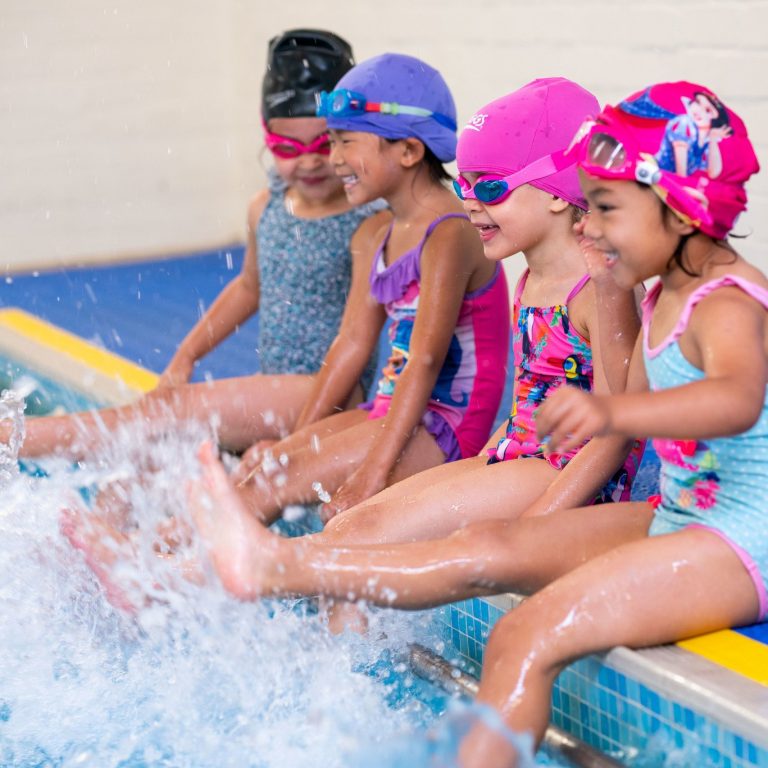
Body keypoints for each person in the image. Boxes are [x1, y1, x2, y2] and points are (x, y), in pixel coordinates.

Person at [190, 80, 765, 768]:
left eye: (607, 207)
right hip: (678, 514)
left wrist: (607, 411)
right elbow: (629, 398)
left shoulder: (726, 304)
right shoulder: (659, 293)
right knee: (502, 586)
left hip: (742, 537)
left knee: (527, 616)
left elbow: (735, 400)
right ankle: (285, 586)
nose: (591, 222)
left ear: (678, 210)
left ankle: (278, 567)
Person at [184, 79, 646, 631]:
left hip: (565, 477)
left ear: (554, 191)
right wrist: (490, 459)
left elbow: (616, 432)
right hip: (520, 455)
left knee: (360, 538)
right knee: (350, 528)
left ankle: (193, 574)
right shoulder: (533, 275)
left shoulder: (598, 287)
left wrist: (541, 524)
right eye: (468, 184)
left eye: (491, 187)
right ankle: (344, 679)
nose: (470, 201)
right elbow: (530, 401)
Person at [0, 28, 388, 459]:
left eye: (325, 143)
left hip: (331, 395)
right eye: (287, 146)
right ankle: (99, 526)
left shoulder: (367, 222)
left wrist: (302, 435)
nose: (310, 160)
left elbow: (357, 341)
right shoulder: (266, 208)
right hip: (275, 389)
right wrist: (185, 357)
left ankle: (23, 438)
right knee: (161, 457)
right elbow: (248, 288)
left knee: (171, 415)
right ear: (265, 136)